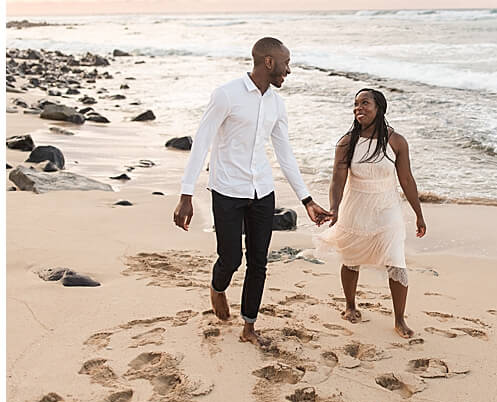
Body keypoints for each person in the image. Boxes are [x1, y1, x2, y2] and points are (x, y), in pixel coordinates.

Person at [173, 37, 330, 345]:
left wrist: (307, 199)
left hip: (262, 191)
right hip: (228, 189)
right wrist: (186, 195)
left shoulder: (276, 102)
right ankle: (218, 288)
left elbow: (285, 153)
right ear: (268, 62)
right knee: (230, 258)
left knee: (259, 261)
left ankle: (249, 326)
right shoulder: (225, 95)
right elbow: (201, 142)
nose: (289, 70)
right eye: (286, 64)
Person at [316, 88, 425, 335]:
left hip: (387, 208)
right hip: (356, 206)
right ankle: (350, 305)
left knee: (396, 259)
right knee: (351, 258)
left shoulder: (396, 141)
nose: (358, 108)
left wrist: (419, 214)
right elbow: (337, 180)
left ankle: (399, 320)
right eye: (355, 104)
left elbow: (406, 179)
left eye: (365, 103)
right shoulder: (346, 143)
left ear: (379, 108)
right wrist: (334, 209)